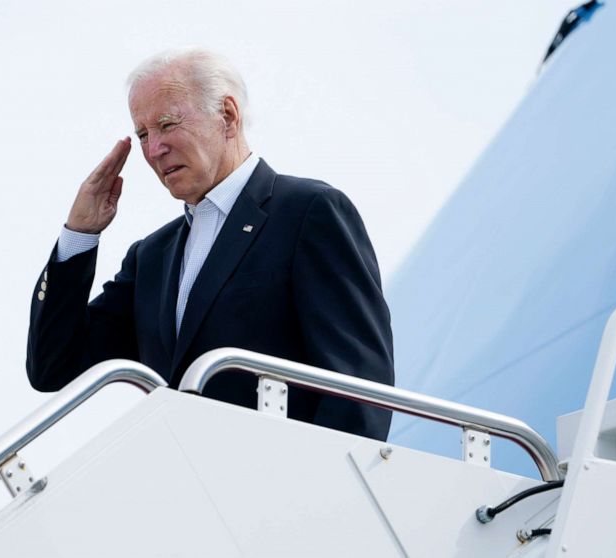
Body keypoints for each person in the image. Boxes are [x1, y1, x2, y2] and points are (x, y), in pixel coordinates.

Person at [27, 48, 394, 440]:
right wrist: (80, 234)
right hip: (187, 491)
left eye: (167, 124)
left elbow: (359, 390)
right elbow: (54, 368)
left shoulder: (308, 212)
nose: (153, 150)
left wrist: (319, 494)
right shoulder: (152, 256)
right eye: (144, 134)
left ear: (228, 116)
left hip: (285, 486)